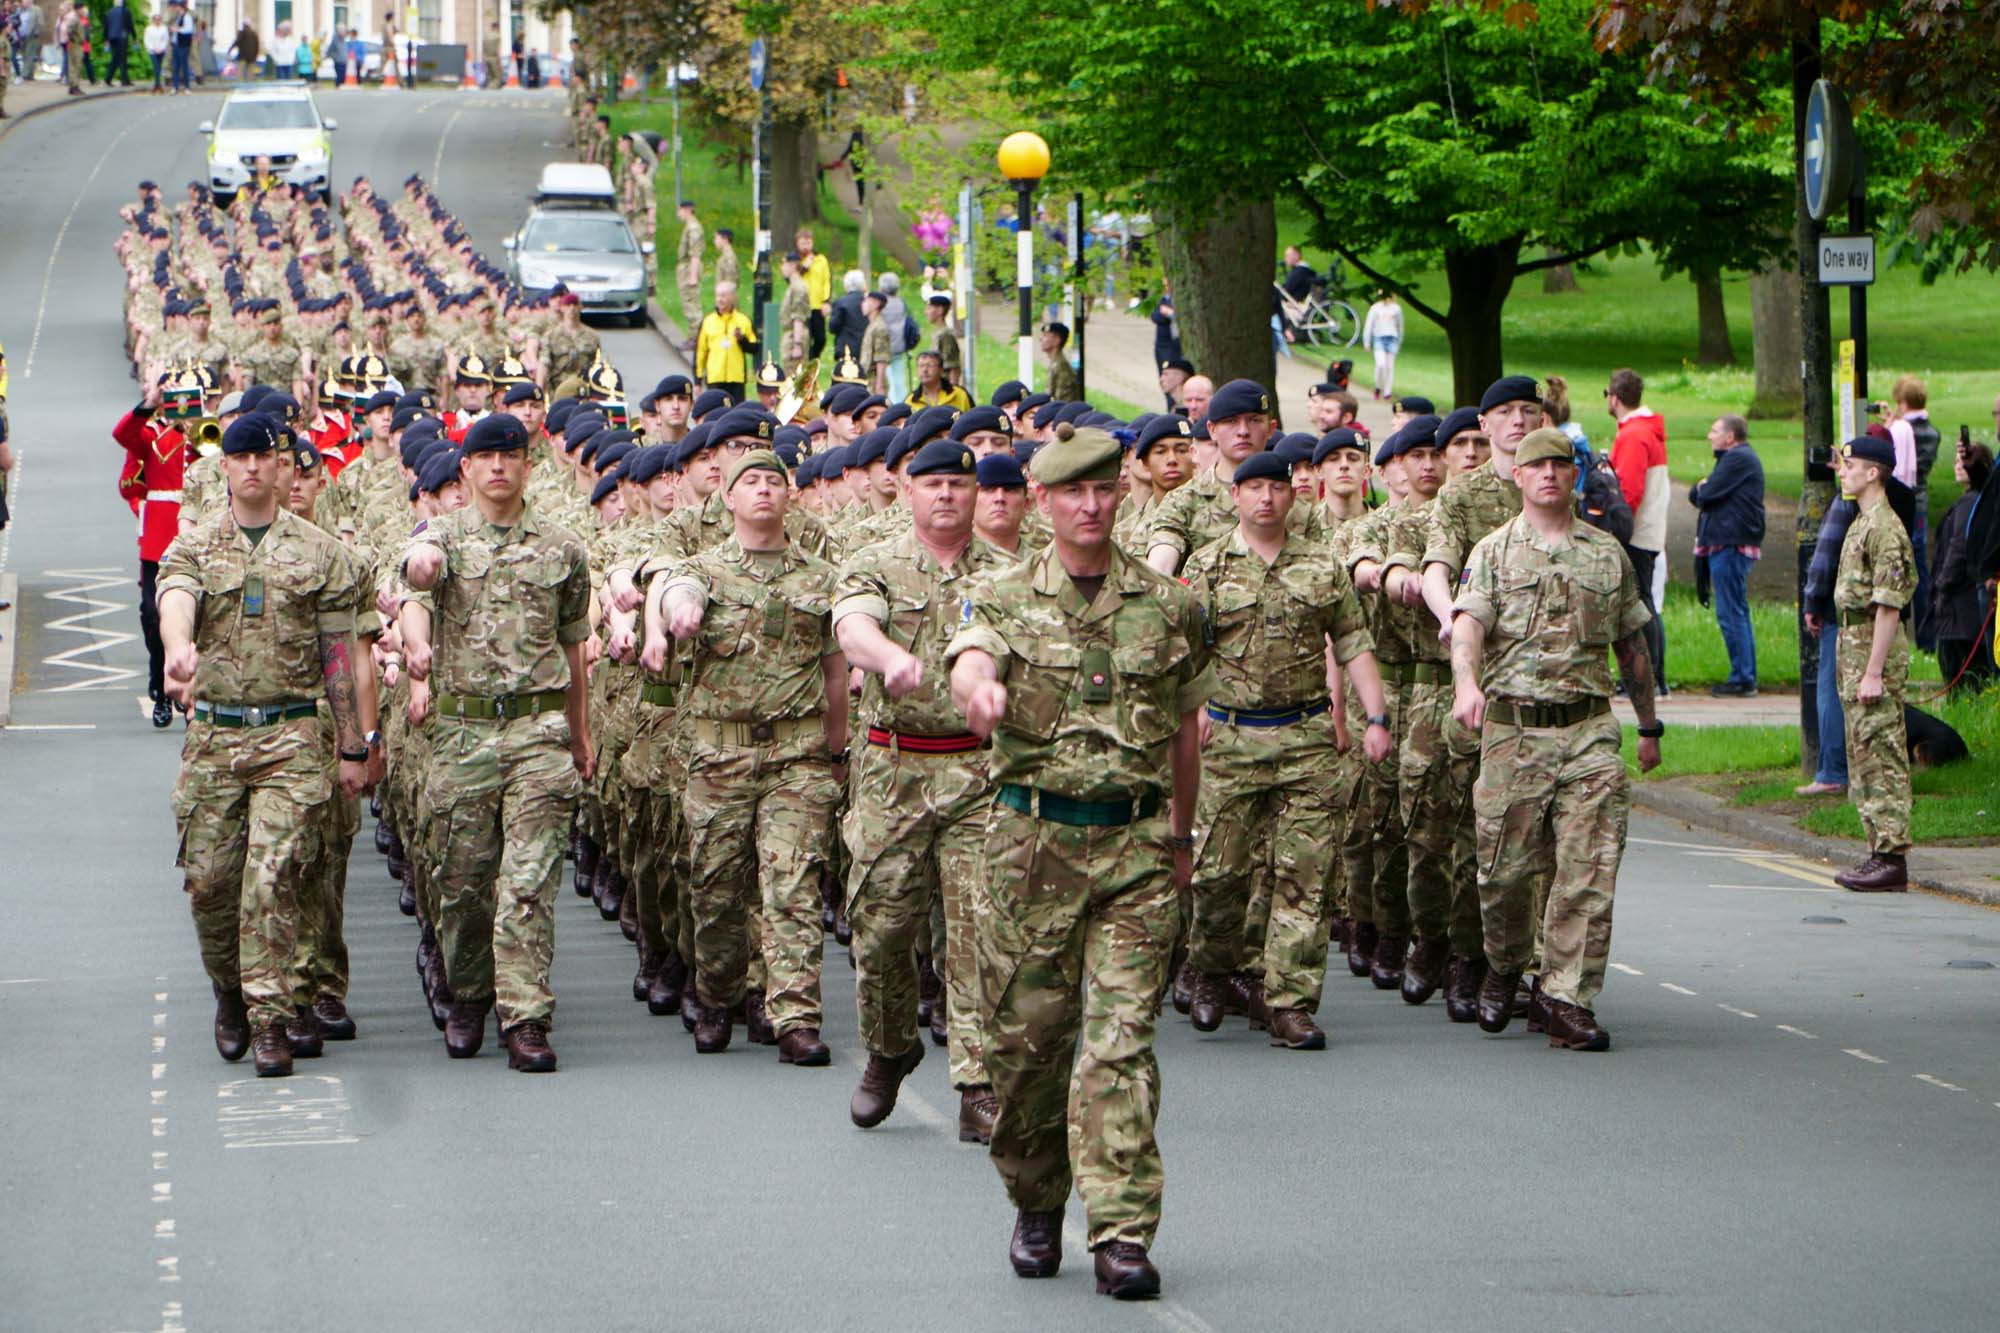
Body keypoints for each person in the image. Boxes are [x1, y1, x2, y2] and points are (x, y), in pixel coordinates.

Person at [945, 422, 1211, 1300]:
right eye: (1072, 493)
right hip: (1032, 851)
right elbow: (971, 658)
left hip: (1134, 848)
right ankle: (1034, 1194)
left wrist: (1180, 835)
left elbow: (1185, 730)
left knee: (1119, 1044)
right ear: (1043, 500)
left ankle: (1122, 1228)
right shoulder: (1003, 593)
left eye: (1103, 489)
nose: (1090, 505)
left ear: (1121, 493)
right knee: (1026, 1050)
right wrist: (978, 691)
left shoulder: (1170, 606)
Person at [158, 413, 368, 1079]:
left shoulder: (319, 553)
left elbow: (338, 653)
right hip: (217, 736)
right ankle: (229, 990)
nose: (251, 466)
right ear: (224, 466)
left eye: (264, 455)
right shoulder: (195, 546)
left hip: (292, 735)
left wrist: (350, 743)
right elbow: (175, 598)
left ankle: (270, 1018)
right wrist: (177, 649)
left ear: (283, 466)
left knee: (271, 878)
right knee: (211, 885)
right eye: (239, 454)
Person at [1450, 426, 1661, 1052]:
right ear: (1517, 476)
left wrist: (1648, 727)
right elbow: (1467, 629)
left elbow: (1632, 644)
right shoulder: (1491, 552)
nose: (1548, 475)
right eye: (1535, 466)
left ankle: (1566, 995)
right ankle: (1506, 963)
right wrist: (1467, 684)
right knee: (1504, 874)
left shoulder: (1606, 553)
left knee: (1589, 870)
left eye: (1560, 466)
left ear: (1575, 476)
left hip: (1588, 731)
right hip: (1514, 732)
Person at [399, 413, 595, 1073]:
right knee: (462, 880)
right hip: (465, 733)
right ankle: (470, 991)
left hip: (540, 731)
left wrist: (582, 734)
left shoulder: (563, 549)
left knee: (528, 882)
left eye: (511, 454)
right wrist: (419, 635)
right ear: (466, 469)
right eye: (487, 456)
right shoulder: (442, 538)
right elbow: (416, 585)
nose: (500, 466)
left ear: (527, 465)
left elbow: (574, 647)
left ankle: (526, 1015)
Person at [1181, 449, 1391, 1051]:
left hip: (1304, 738)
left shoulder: (1320, 566)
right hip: (1230, 738)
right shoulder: (1210, 566)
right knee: (1219, 875)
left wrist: (1374, 717)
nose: (1266, 498)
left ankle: (1290, 1002)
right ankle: (1212, 967)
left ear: (1293, 496)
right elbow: (1186, 654)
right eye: (1254, 488)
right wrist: (1192, 716)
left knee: (1305, 876)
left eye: (1277, 487)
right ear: (1236, 497)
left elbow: (1353, 644)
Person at [645, 447, 847, 1065]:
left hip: (798, 759)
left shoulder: (820, 576)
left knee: (793, 885)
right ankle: (718, 992)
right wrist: (672, 620)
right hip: (719, 760)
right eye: (749, 482)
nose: (763, 490)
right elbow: (668, 589)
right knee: (716, 891)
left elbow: (835, 671)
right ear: (727, 499)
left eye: (774, 481)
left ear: (790, 498)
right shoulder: (702, 572)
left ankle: (795, 1016)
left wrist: (837, 751)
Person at [833, 437, 1008, 1139]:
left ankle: (978, 1083)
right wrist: (889, 657)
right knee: (880, 931)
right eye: (931, 483)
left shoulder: (1007, 573)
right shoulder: (875, 561)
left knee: (978, 930)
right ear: (907, 491)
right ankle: (890, 1045)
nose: (945, 495)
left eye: (958, 485)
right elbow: (851, 627)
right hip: (894, 770)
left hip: (978, 773)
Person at [1810, 435, 1917, 891]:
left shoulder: (1885, 529)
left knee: (1882, 751)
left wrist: (1874, 671)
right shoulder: (1861, 520)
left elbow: (1889, 606)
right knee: (1862, 753)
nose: (1843, 470)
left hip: (1872, 648)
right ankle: (1876, 847)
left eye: (1850, 464)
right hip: (1851, 645)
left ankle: (1892, 856)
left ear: (1873, 472)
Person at [1690, 415, 1765, 697]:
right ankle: (1744, 675)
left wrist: (1703, 489)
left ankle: (1743, 678)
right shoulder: (1732, 459)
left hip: (1731, 544)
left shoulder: (1737, 459)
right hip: (1729, 542)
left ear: (1730, 437)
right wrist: (1701, 490)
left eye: (1714, 431)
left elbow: (1706, 494)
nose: (1710, 436)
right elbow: (1699, 494)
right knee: (1736, 610)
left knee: (1731, 612)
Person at [1606, 368, 1669, 693]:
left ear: (1615, 398)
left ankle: (1649, 678)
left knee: (1639, 605)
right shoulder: (1646, 431)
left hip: (1636, 532)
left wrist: (1615, 530)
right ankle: (1654, 677)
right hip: (1648, 530)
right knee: (1644, 602)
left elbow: (1628, 489)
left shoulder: (1633, 435)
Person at [1931, 441, 1997, 692]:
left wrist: (1941, 585)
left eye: (1966, 462)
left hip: (1960, 611)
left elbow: (1958, 548)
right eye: (1957, 461)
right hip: (1964, 610)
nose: (1959, 466)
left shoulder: (1970, 504)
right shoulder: (1976, 501)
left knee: (1963, 681)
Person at [1883, 376, 1942, 650]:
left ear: (1903, 402)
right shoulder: (1932, 431)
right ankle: (1927, 634)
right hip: (1922, 500)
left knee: (1906, 565)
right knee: (1921, 566)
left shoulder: (1904, 430)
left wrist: (1890, 427)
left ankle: (1910, 630)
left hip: (1906, 501)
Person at [693, 283, 757, 402]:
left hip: (736, 378)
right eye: (717, 296)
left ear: (733, 297)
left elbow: (754, 348)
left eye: (723, 296)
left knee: (736, 415)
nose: (719, 300)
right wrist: (698, 380)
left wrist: (742, 340)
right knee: (715, 414)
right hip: (715, 378)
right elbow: (700, 352)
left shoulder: (743, 320)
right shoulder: (708, 321)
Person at [1362, 290, 1403, 400]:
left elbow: (1400, 327)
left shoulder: (1396, 309)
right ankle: (1378, 386)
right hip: (1379, 338)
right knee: (1381, 365)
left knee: (1389, 367)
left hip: (1392, 338)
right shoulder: (1375, 308)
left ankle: (1387, 392)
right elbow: (1369, 325)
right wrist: (1367, 341)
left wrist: (1399, 342)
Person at [675, 201, 705, 336]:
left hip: (689, 267)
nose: (678, 214)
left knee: (691, 301)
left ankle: (696, 335)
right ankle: (693, 334)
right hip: (686, 266)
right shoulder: (689, 227)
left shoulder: (693, 228)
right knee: (687, 301)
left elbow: (695, 254)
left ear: (687, 210)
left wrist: (692, 276)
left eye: (680, 210)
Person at [1041, 321, 1080, 403]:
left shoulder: (1061, 367)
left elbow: (1061, 402)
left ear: (1057, 340)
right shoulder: (1056, 364)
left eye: (1045, 336)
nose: (1041, 339)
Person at [105, 0, 134, 86]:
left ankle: (109, 78)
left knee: (115, 58)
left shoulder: (109, 12)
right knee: (123, 59)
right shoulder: (126, 11)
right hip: (122, 37)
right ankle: (124, 80)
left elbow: (106, 26)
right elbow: (130, 24)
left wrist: (106, 38)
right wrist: (134, 36)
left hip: (112, 37)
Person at [144, 8, 168, 92]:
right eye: (156, 19)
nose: (157, 21)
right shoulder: (149, 29)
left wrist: (161, 48)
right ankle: (158, 84)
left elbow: (165, 39)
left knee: (159, 67)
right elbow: (147, 40)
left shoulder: (164, 28)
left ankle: (157, 85)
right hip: (152, 51)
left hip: (161, 50)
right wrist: (153, 49)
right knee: (156, 67)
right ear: (153, 20)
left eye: (159, 19)